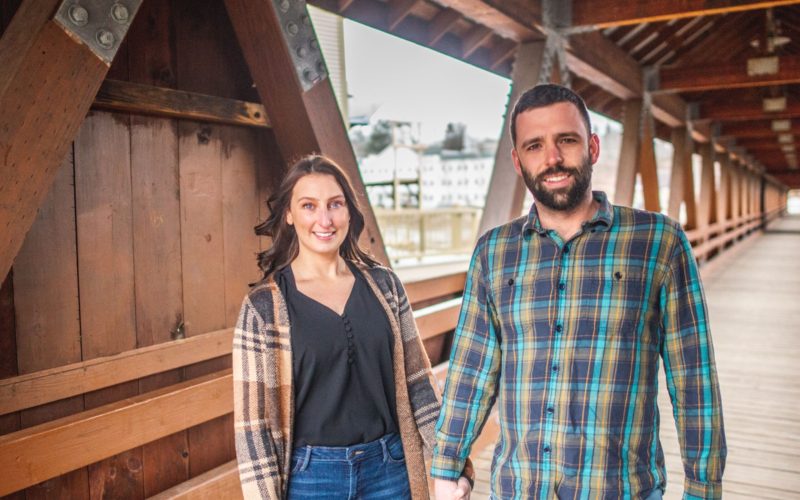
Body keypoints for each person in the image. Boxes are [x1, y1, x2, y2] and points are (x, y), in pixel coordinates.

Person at [431, 84, 726, 499]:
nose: (552, 158)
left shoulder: (659, 241)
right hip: (519, 488)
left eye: (566, 140)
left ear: (592, 146)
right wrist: (446, 467)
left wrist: (703, 488)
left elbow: (693, 379)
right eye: (534, 146)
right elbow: (471, 370)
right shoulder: (494, 252)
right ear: (517, 161)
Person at [232, 155, 472, 499]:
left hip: (390, 469)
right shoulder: (263, 308)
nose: (324, 219)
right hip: (310, 478)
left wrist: (449, 468)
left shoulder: (385, 287)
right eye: (309, 206)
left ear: (348, 211)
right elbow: (254, 429)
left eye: (335, 204)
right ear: (289, 214)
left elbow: (419, 385)